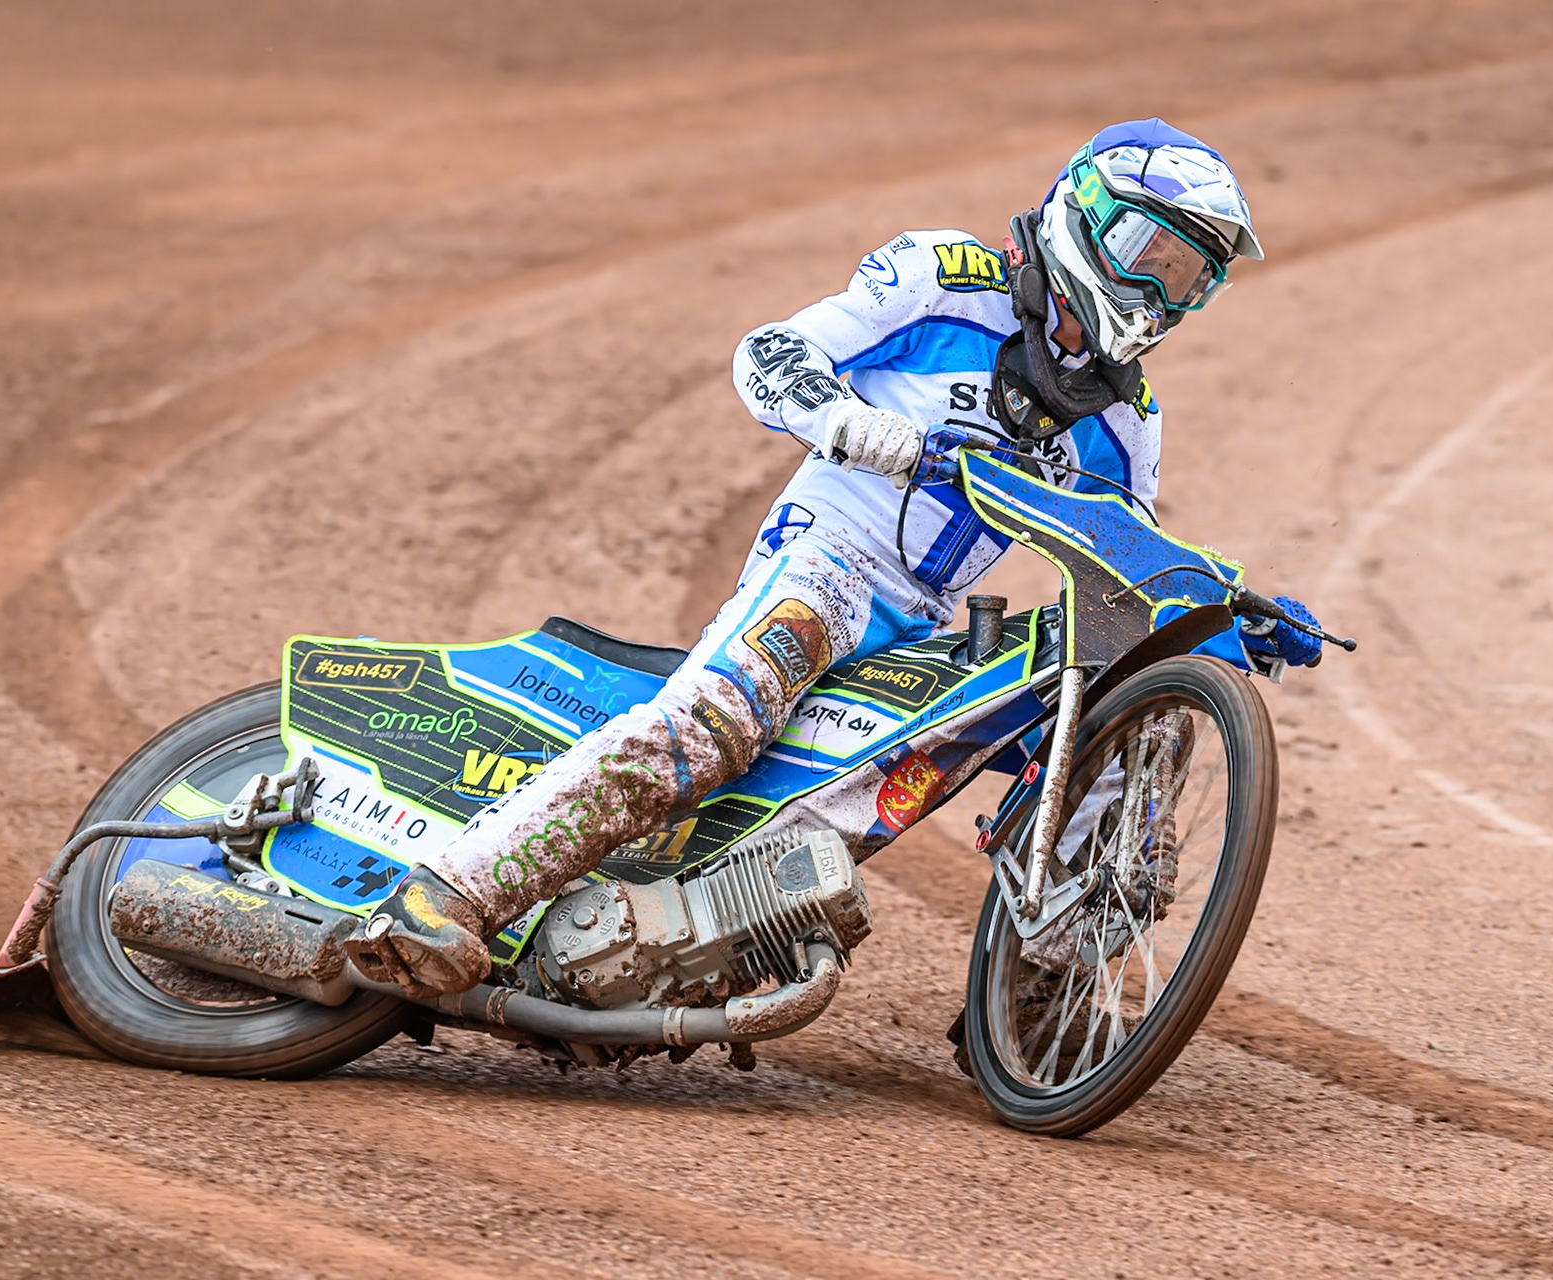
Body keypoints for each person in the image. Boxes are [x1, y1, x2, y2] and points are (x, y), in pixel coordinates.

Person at [344, 118, 1324, 997]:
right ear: (1085, 216)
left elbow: (1127, 569)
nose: (1160, 293)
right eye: (1150, 255)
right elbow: (770, 353)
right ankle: (448, 893)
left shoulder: (1127, 421)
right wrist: (856, 427)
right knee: (714, 724)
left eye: (1190, 278)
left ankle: (1043, 984)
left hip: (929, 624)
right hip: (828, 562)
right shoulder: (945, 278)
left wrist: (1228, 612)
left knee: (1136, 715)